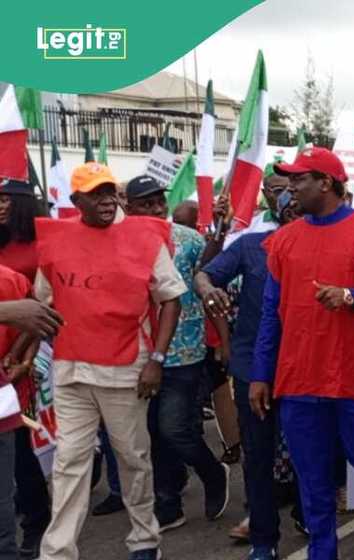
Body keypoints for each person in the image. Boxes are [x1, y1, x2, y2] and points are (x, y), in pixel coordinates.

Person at [249, 147, 354, 560]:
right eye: (290, 179)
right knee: (311, 474)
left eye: (300, 178)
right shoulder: (283, 240)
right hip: (298, 374)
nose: (291, 187)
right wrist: (261, 373)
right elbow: (271, 312)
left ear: (327, 182)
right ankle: (323, 550)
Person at [36, 162, 185, 560]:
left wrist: (156, 358)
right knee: (69, 463)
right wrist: (30, 352)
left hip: (126, 369)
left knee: (133, 458)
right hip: (70, 370)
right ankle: (58, 551)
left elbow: (171, 298)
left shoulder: (143, 236)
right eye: (95, 193)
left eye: (109, 192)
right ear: (76, 200)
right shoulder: (56, 240)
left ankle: (144, 539)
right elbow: (41, 303)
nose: (105, 200)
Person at [197, 191, 303, 560]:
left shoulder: (326, 246)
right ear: (277, 211)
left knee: (310, 450)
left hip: (306, 368)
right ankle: (263, 538)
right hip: (252, 368)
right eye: (286, 203)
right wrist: (209, 288)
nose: (293, 207)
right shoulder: (251, 246)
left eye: (300, 201)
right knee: (258, 454)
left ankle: (308, 515)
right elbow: (206, 274)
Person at [123, 176, 230, 532]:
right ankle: (168, 502)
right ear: (129, 207)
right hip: (135, 354)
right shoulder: (118, 243)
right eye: (145, 203)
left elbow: (210, 278)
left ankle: (214, 474)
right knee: (151, 431)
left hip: (184, 351)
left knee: (174, 429)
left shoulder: (186, 239)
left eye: (159, 202)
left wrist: (217, 237)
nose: (155, 209)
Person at [0, 178, 52, 559]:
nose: (0, 206)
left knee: (19, 446)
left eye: (4, 199)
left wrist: (23, 357)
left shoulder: (43, 245)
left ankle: (36, 521)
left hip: (25, 357)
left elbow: (38, 310)